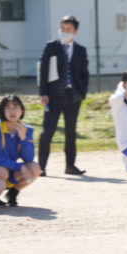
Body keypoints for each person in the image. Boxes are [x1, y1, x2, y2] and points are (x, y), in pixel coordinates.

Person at [38, 15, 90, 176]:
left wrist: (82, 92)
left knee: (71, 132)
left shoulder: (80, 50)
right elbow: (43, 71)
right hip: (54, 96)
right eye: (62, 28)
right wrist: (43, 93)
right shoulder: (51, 47)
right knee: (48, 131)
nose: (64, 32)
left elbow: (84, 73)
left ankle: (70, 165)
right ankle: (41, 166)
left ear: (75, 32)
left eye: (68, 29)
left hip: (73, 96)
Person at [0, 95, 41, 206]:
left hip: (10, 169)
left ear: (21, 111)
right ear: (2, 112)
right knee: (1, 170)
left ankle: (13, 192)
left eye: (15, 107)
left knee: (34, 168)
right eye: (7, 108)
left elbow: (28, 158)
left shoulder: (27, 130)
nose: (12, 111)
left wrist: (23, 138)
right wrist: (20, 167)